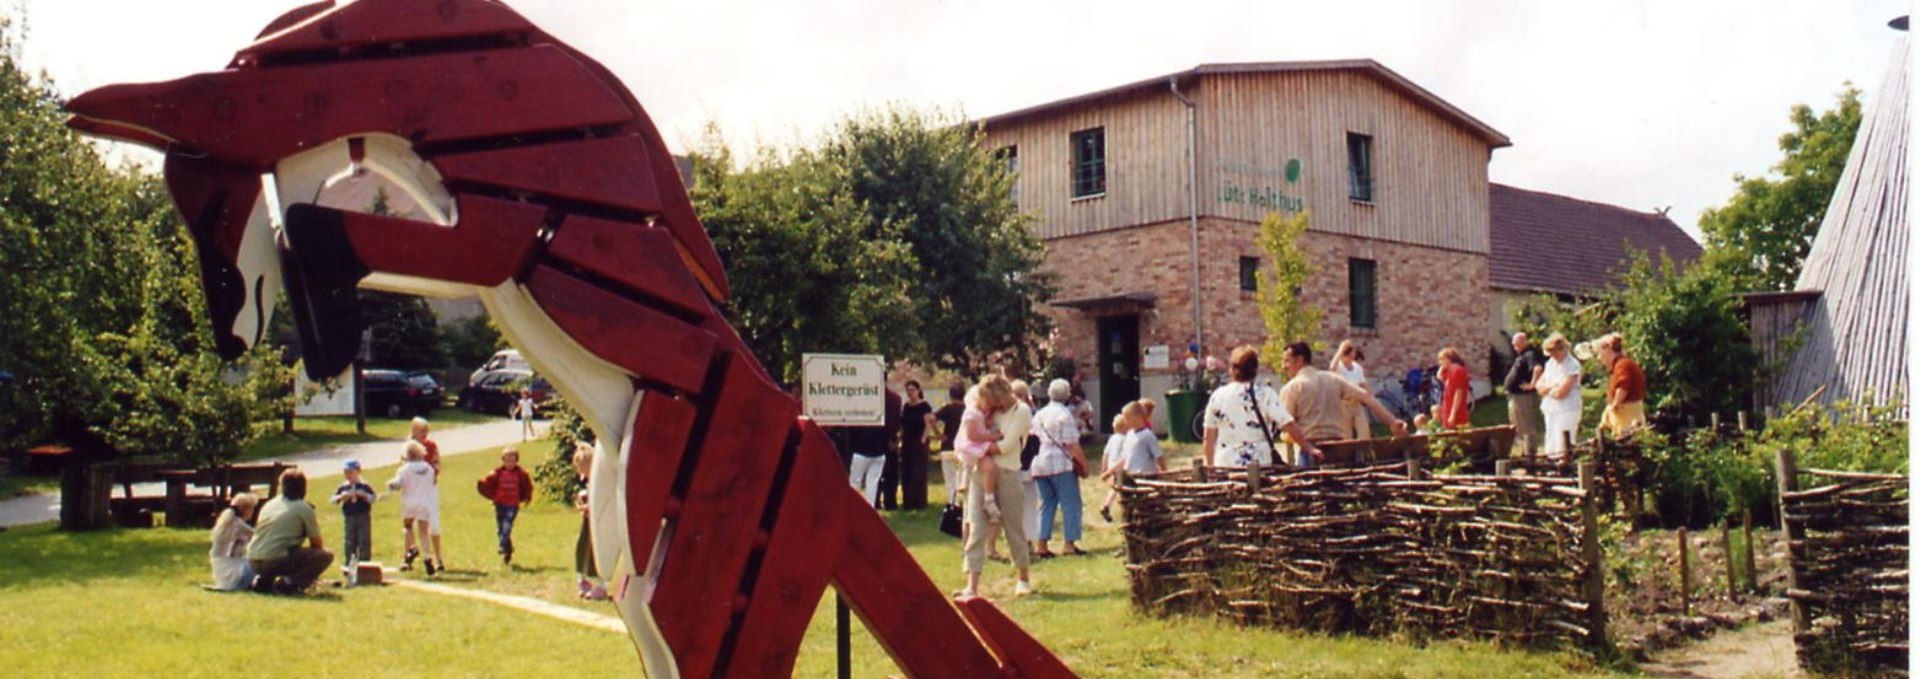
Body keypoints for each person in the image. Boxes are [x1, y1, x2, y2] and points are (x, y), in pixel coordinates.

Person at [958, 375, 1032, 598]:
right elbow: (970, 425)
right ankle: (972, 584)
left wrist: (974, 446)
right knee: (976, 528)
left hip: (1007, 472)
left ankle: (1023, 577)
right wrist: (976, 446)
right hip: (981, 471)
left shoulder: (1021, 411)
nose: (993, 407)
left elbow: (1006, 446)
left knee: (1013, 528)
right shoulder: (986, 407)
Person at [1279, 342, 1407, 454]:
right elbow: (1366, 397)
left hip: (1309, 449)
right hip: (1337, 448)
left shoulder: (1292, 388)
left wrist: (1286, 436)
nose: (1283, 366)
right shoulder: (1333, 379)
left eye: (1286, 361)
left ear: (1299, 360)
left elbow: (1288, 425)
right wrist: (1392, 421)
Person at [1204, 345, 1319, 468]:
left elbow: (1208, 437)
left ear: (1231, 369)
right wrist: (1308, 448)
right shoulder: (1265, 394)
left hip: (1225, 463)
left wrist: (1210, 466)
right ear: (1255, 369)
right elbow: (1287, 423)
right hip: (1259, 462)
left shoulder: (1218, 396)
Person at [246, 470, 333, 594]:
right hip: (275, 560)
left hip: (253, 558)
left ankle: (264, 581)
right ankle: (288, 583)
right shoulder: (303, 507)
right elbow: (317, 544)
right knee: (324, 555)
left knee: (283, 550)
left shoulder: (270, 504)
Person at [1030, 379, 1089, 558]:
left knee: (1047, 504)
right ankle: (1069, 544)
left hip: (1039, 463)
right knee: (1070, 503)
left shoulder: (1038, 415)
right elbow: (1071, 444)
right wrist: (1084, 464)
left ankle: (1041, 544)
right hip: (1061, 464)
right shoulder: (1065, 414)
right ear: (1068, 395)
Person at [388, 440, 441, 575]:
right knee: (424, 532)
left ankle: (412, 547)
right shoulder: (428, 469)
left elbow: (398, 484)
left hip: (410, 502)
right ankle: (428, 557)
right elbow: (431, 483)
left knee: (408, 526)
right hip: (424, 502)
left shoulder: (404, 469)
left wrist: (390, 484)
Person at [477, 446, 535, 565]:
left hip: (512, 505)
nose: (510, 463)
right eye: (507, 460)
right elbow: (487, 482)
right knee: (500, 528)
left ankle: (502, 546)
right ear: (503, 460)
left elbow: (528, 486)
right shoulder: (498, 473)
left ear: (516, 461)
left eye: (512, 460)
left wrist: (527, 497)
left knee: (507, 526)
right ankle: (507, 549)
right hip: (500, 504)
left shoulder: (521, 474)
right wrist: (482, 486)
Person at [1534, 333, 1584, 458]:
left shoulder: (1572, 365)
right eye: (1550, 351)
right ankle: (1552, 461)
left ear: (1563, 348)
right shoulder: (1550, 363)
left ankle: (1564, 463)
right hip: (1551, 408)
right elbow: (1539, 385)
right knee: (1551, 438)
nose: (1552, 354)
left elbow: (1561, 392)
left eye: (1555, 350)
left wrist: (1549, 389)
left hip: (1567, 408)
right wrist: (1552, 387)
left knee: (1563, 439)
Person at [409, 417, 446, 570]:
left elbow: (437, 465)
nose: (425, 434)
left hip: (429, 489)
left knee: (434, 523)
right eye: (422, 431)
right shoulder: (409, 447)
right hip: (414, 491)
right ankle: (418, 556)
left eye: (426, 431)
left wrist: (429, 473)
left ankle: (438, 558)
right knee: (415, 525)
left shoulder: (431, 446)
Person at [572, 442, 607, 600]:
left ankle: (602, 584)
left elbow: (602, 500)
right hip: (589, 522)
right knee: (582, 548)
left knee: (600, 551)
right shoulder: (588, 480)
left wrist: (589, 506)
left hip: (599, 523)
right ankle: (583, 580)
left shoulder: (600, 480)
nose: (581, 473)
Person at [1504, 332, 1547, 456]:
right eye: (1513, 344)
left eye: (1517, 344)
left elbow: (1538, 368)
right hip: (1516, 396)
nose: (1514, 347)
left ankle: (1529, 451)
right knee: (1517, 424)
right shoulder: (1522, 355)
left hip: (1523, 397)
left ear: (1524, 341)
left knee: (1525, 424)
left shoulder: (1530, 354)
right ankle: (1524, 449)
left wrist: (1532, 384)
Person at [1596, 333, 1647, 437]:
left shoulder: (1623, 365)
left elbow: (1623, 385)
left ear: (1608, 351)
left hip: (1628, 416)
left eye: (1599, 353)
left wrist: (1615, 404)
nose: (1598, 357)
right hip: (1629, 415)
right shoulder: (1621, 365)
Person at [331, 459, 377, 570]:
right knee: (349, 541)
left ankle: (364, 565)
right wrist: (341, 497)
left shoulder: (364, 486)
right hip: (349, 517)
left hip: (363, 516)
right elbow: (333, 500)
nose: (348, 475)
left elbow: (374, 498)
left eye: (351, 472)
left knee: (364, 540)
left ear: (358, 471)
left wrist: (364, 495)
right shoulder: (343, 487)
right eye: (346, 472)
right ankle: (349, 565)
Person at [208, 493, 259, 591]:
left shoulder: (224, 521)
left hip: (221, 573)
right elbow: (257, 536)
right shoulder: (239, 525)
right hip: (235, 573)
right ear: (247, 510)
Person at [898, 380, 936, 510]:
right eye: (908, 390)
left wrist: (924, 438)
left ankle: (920, 502)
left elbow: (929, 424)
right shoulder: (906, 406)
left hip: (919, 442)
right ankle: (908, 502)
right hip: (907, 441)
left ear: (918, 390)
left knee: (918, 472)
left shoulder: (925, 406)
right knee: (907, 471)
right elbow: (903, 425)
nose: (910, 393)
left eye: (912, 390)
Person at [933, 382, 967, 505]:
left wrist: (938, 434)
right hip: (964, 447)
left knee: (950, 477)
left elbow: (930, 418)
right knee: (963, 475)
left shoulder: (947, 408)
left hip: (948, 447)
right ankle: (964, 501)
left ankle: (953, 502)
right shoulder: (967, 409)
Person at [1096, 412, 1133, 523]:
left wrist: (1104, 469)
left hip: (1111, 465)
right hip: (1120, 467)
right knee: (1121, 488)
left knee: (1116, 487)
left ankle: (1107, 506)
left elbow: (1106, 454)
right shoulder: (1126, 439)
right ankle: (1112, 507)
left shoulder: (1112, 439)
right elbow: (1127, 455)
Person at [1330, 341, 1371, 439]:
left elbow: (1362, 384)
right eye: (1350, 352)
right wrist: (1340, 350)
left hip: (1357, 403)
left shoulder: (1357, 368)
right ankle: (1348, 453)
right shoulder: (1339, 367)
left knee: (1364, 430)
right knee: (1346, 434)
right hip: (1344, 405)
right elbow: (1332, 368)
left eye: (1353, 352)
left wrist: (1370, 397)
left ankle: (1364, 452)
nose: (1353, 355)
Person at [874, 385, 904, 510]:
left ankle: (877, 500)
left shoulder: (875, 396)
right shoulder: (895, 398)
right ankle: (889, 501)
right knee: (889, 473)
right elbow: (897, 421)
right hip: (887, 439)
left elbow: (895, 420)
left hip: (878, 439)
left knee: (878, 472)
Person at [1437, 347, 1473, 429]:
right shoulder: (1449, 371)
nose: (1440, 363)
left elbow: (1458, 393)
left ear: (1449, 359)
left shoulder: (1457, 371)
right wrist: (1441, 369)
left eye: (1442, 360)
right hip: (1448, 408)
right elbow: (1441, 378)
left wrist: (1453, 414)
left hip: (1456, 411)